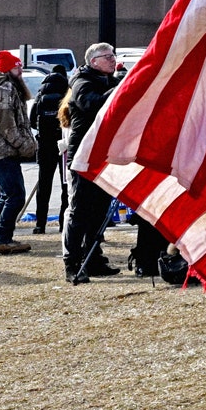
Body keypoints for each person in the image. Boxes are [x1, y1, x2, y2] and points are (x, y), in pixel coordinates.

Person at [60, 43, 125, 284]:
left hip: (103, 154)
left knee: (99, 210)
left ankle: (93, 257)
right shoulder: (82, 81)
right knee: (80, 211)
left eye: (113, 56)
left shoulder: (105, 80)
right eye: (106, 57)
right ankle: (73, 263)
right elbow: (93, 104)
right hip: (84, 155)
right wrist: (120, 87)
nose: (112, 60)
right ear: (93, 61)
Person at [0, 52, 36, 255]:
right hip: (2, 151)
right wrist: (24, 145)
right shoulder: (4, 88)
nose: (20, 71)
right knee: (16, 196)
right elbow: (6, 125)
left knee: (6, 195)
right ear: (7, 70)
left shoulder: (6, 86)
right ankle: (2, 239)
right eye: (16, 67)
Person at [31, 63, 71, 235]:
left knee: (44, 184)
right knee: (65, 185)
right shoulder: (66, 93)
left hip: (44, 144)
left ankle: (40, 224)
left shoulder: (40, 94)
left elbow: (32, 120)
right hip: (62, 145)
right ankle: (63, 223)